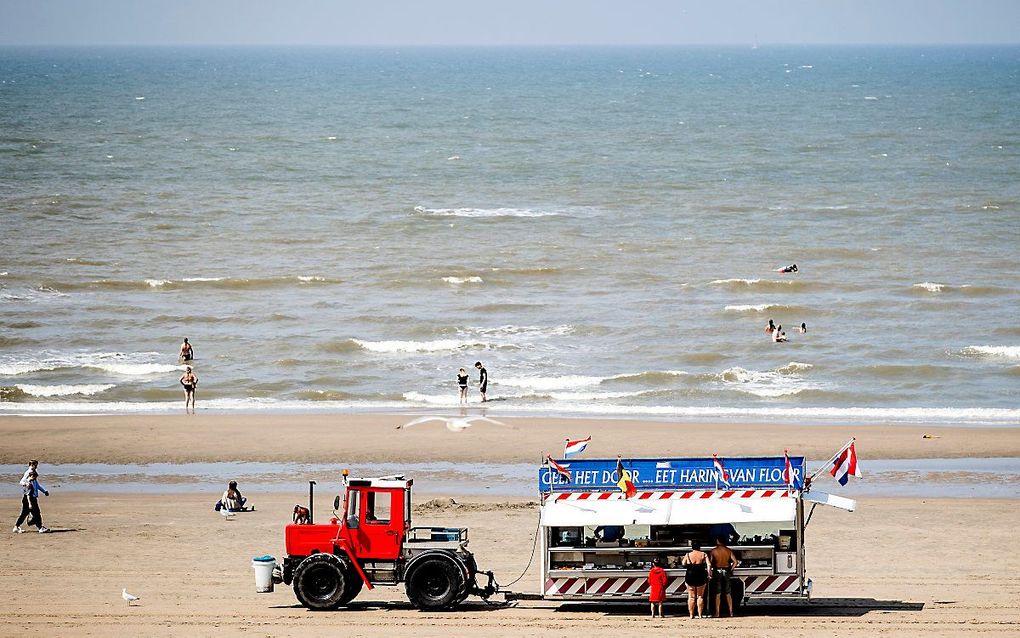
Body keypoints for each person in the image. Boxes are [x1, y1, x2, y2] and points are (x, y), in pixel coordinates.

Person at [710, 536, 740, 617]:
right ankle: (731, 612)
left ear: (717, 541)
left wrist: (710, 571)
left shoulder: (714, 551)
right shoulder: (728, 550)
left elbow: (710, 562)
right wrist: (730, 569)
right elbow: (735, 562)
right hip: (726, 570)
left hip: (717, 570)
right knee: (728, 593)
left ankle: (717, 613)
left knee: (718, 593)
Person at [682, 541, 710, 619]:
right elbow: (709, 564)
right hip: (701, 575)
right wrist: (709, 574)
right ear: (699, 547)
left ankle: (691, 615)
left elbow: (683, 563)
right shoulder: (704, 554)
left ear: (692, 547)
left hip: (690, 575)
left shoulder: (688, 555)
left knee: (691, 597)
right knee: (700, 596)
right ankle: (700, 615)